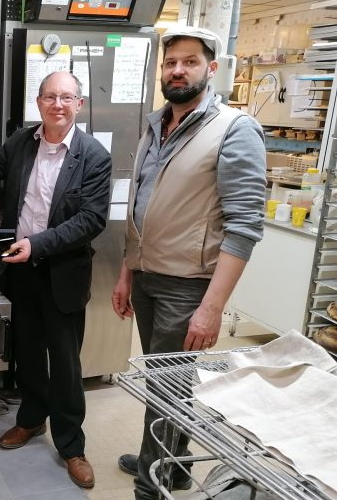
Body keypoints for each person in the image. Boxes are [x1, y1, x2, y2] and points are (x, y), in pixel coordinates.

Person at [110, 27, 266, 500]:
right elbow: (142, 205)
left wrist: (212, 306)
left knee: (163, 390)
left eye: (190, 61)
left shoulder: (235, 130)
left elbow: (244, 226)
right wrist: (126, 271)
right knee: (169, 386)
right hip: (147, 278)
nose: (177, 70)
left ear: (211, 69)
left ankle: (149, 485)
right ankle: (171, 467)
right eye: (170, 61)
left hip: (187, 287)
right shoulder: (157, 123)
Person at [0, 71, 112, 489]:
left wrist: (38, 243)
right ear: (38, 102)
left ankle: (72, 445)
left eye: (67, 98)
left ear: (79, 105)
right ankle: (31, 420)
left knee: (66, 364)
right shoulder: (21, 143)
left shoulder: (94, 157)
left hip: (63, 274)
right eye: (50, 97)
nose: (58, 105)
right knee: (28, 353)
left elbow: (91, 220)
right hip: (21, 270)